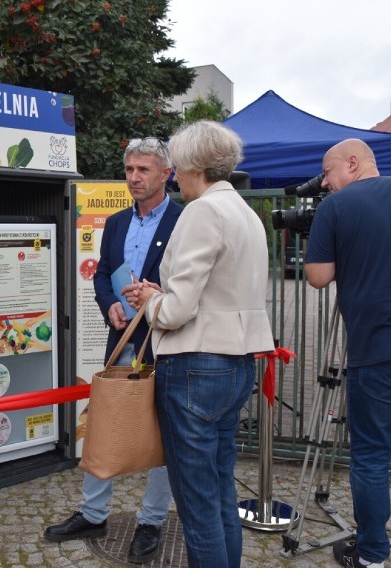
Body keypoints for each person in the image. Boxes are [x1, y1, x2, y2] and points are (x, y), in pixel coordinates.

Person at [132, 120, 274, 568]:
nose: (172, 173)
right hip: (236, 364)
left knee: (197, 508)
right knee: (218, 493)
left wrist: (153, 299)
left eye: (175, 165)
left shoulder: (202, 212)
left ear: (192, 165)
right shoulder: (245, 212)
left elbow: (176, 312)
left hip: (194, 366)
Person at [44, 137, 183, 564]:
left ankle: (151, 522)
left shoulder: (184, 220)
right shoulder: (118, 221)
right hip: (122, 339)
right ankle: (93, 513)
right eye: (129, 170)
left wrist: (158, 295)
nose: (134, 178)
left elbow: (192, 284)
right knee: (103, 423)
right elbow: (102, 274)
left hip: (166, 342)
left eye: (143, 170)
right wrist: (109, 307)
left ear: (167, 174)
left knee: (163, 433)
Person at [304, 138, 391, 568]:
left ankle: (372, 556)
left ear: (352, 164)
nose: (327, 183)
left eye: (329, 173)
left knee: (372, 455)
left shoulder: (337, 207)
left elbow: (317, 277)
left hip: (379, 349)